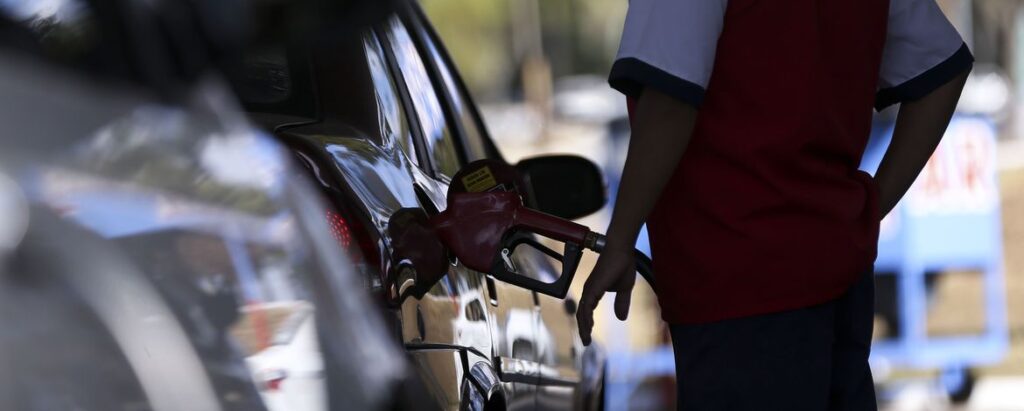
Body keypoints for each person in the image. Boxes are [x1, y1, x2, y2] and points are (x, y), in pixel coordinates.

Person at [576, 0, 972, 409]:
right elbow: (942, 69)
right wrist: (868, 208)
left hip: (735, 286)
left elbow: (669, 102)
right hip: (838, 278)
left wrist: (621, 239)